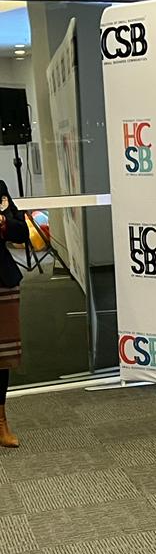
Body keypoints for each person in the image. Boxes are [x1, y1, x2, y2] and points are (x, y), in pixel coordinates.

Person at [0, 180, 28, 448]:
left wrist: (3, 223)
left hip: (2, 282)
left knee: (1, 359)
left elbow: (22, 232)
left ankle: (1, 424)